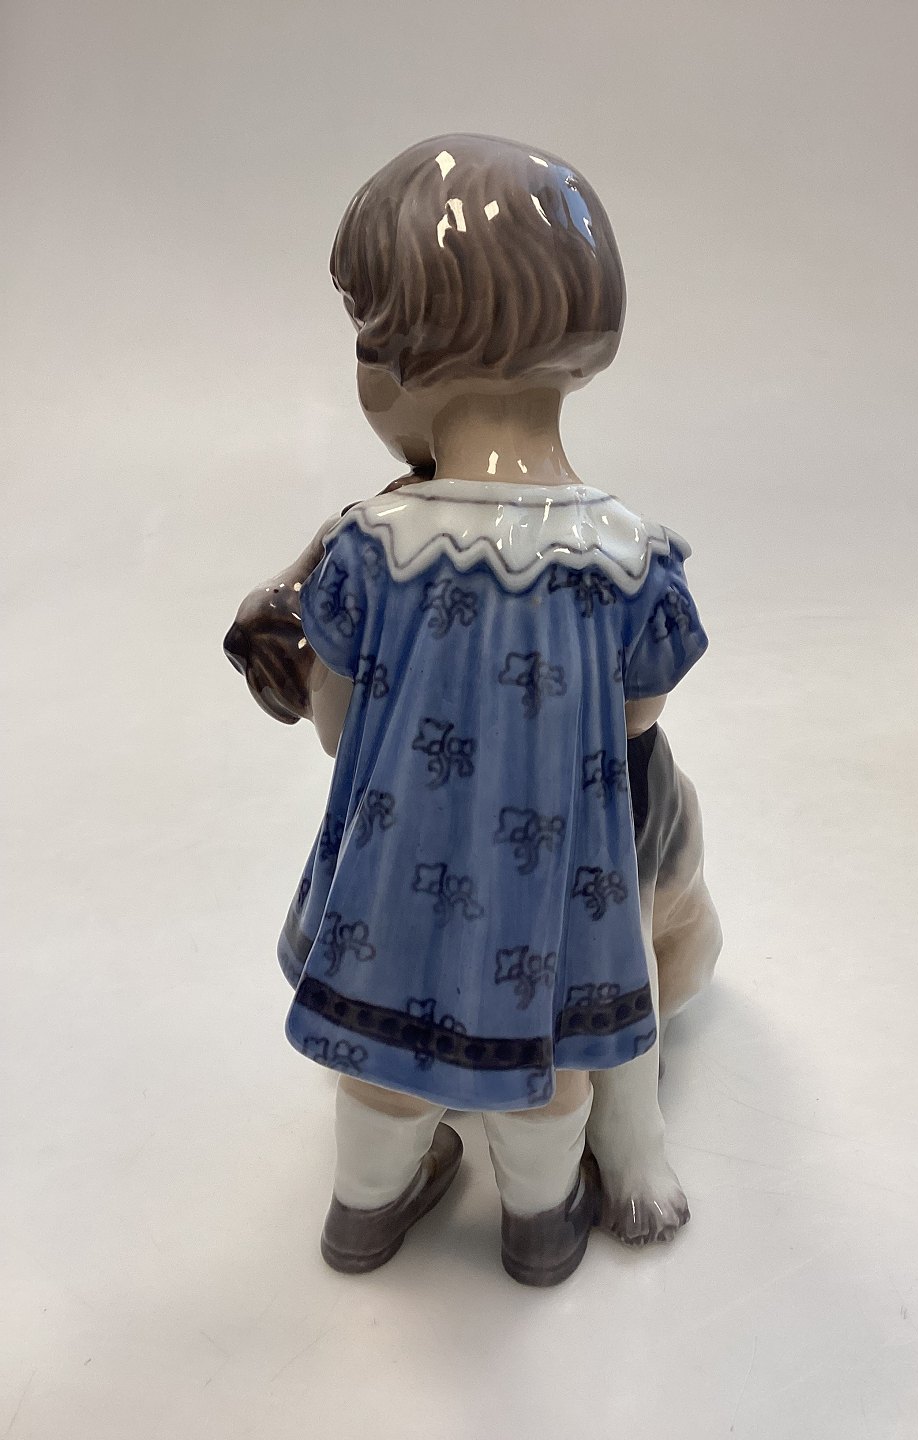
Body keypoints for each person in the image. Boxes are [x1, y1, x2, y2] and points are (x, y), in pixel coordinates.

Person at [224, 135, 721, 1284]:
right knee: (553, 1063)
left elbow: (340, 730)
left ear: (398, 355)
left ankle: (365, 1211)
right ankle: (540, 1228)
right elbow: (637, 734)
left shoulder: (367, 551)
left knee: (382, 1056)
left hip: (396, 891)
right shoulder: (633, 558)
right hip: (564, 893)